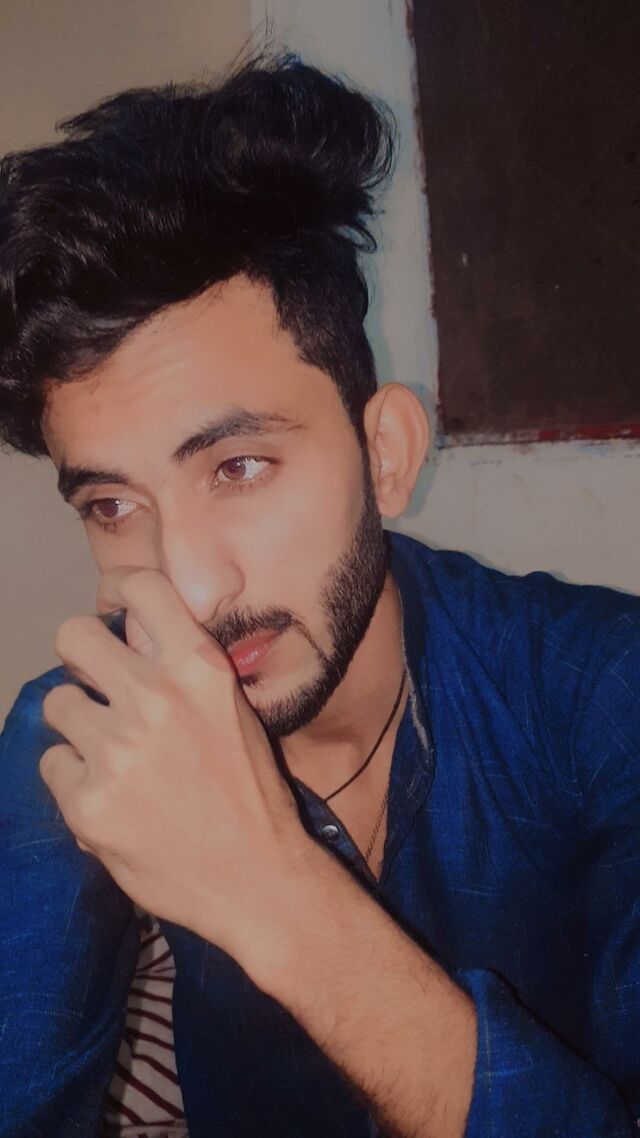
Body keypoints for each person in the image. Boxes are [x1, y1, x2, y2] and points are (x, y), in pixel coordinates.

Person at [0, 51, 638, 1138]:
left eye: (239, 466)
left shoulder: (605, 691)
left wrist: (270, 891)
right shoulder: (89, 736)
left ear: (385, 454)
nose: (188, 585)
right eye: (112, 504)